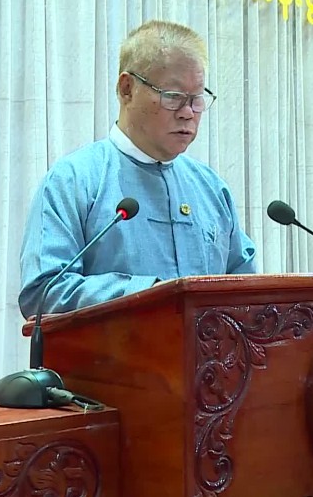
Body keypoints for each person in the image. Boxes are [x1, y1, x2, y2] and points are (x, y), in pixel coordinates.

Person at [18, 20, 258, 318]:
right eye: (173, 96)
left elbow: (247, 294)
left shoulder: (210, 188)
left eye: (196, 99)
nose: (187, 113)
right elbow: (43, 291)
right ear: (126, 89)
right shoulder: (74, 181)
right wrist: (148, 294)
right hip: (113, 349)